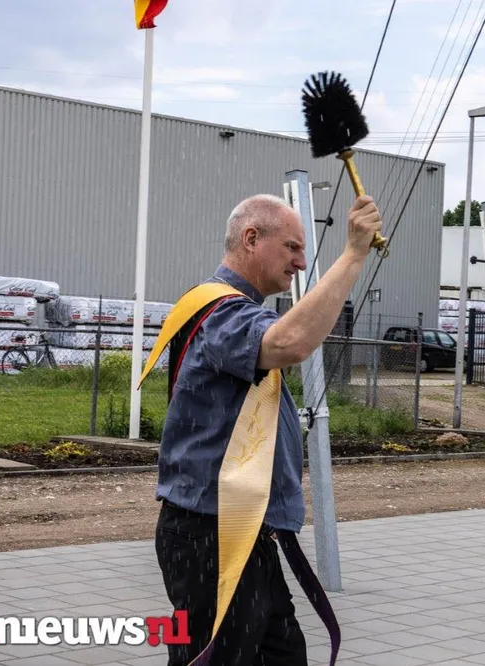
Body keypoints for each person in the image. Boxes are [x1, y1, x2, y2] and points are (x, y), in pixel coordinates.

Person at [151, 193, 382, 665]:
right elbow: (288, 342)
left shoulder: (231, 308)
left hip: (239, 532)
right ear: (251, 238)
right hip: (213, 536)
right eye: (292, 247)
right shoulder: (220, 309)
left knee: (283, 654)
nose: (301, 262)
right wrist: (353, 254)